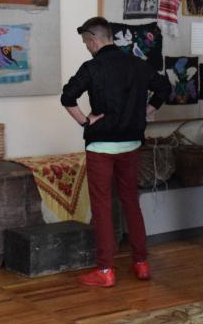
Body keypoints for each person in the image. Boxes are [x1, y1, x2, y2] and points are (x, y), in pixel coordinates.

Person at [61, 17, 170, 287]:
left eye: (86, 42)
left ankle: (106, 270)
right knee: (131, 202)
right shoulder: (137, 64)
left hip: (101, 146)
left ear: (94, 39)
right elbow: (164, 88)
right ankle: (141, 263)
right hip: (131, 144)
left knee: (102, 206)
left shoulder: (92, 67)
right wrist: (145, 111)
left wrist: (85, 122)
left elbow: (67, 96)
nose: (87, 47)